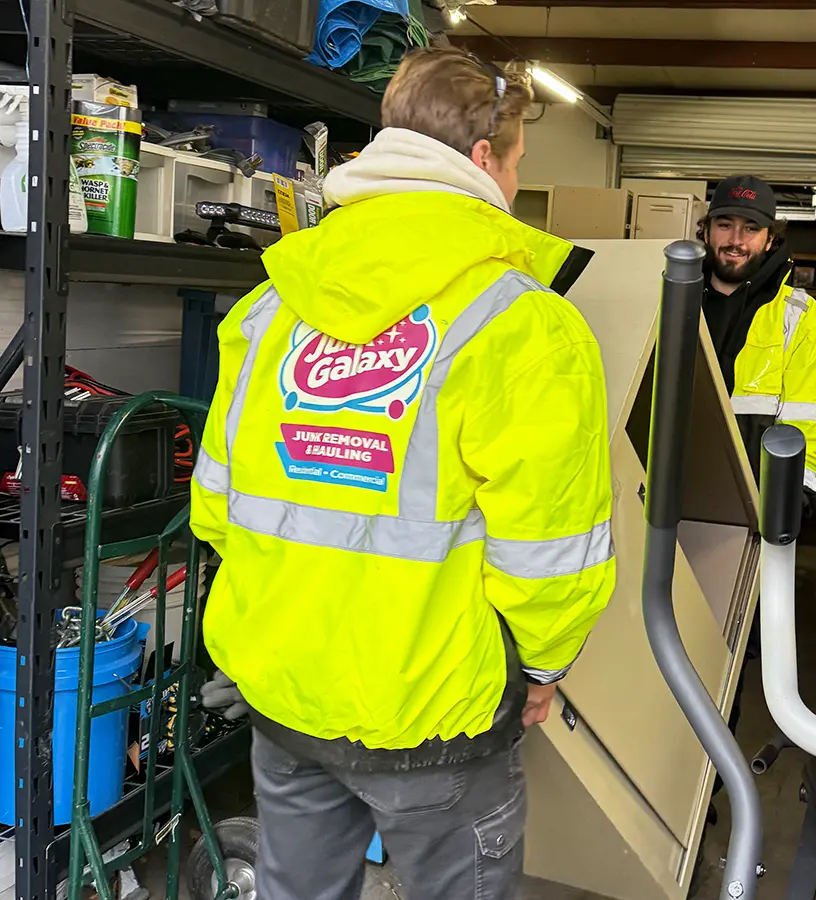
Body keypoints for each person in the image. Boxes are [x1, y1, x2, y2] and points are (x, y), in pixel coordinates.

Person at [190, 47, 615, 900]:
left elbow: (217, 505)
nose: (514, 179)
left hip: (284, 689)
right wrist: (541, 667)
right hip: (434, 714)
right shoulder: (523, 324)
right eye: (518, 161)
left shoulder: (272, 307)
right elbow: (552, 547)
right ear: (484, 158)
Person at [699, 175, 816, 496]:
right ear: (706, 231)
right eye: (725, 225)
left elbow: (810, 420)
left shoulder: (803, 317)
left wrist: (795, 492)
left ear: (769, 240)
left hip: (754, 493)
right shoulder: (670, 298)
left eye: (750, 228)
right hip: (660, 484)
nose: (736, 240)